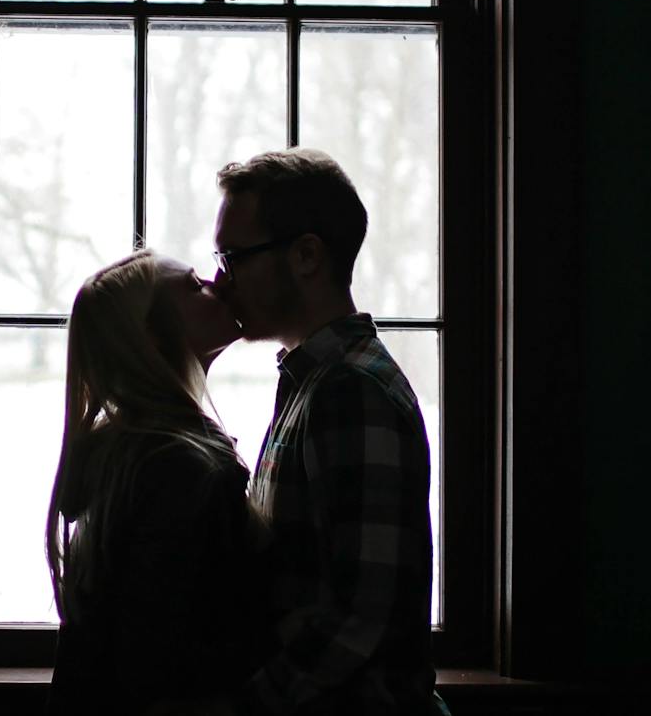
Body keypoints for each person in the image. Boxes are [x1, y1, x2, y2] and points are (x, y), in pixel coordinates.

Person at [173, 148, 449, 715]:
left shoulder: (350, 392)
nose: (221, 282)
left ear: (305, 256)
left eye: (233, 256)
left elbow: (356, 620)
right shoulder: (314, 381)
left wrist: (235, 711)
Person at [46, 249, 275, 716]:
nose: (217, 283)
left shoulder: (135, 456)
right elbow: (161, 662)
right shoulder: (182, 469)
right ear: (152, 337)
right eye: (193, 286)